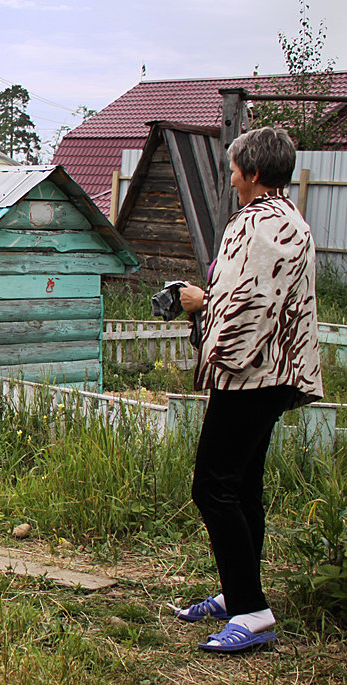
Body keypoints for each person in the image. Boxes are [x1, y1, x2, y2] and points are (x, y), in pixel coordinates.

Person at [175, 127, 323, 653]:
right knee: (241, 488)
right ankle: (239, 592)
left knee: (211, 487)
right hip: (274, 371)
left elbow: (250, 309)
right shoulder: (290, 220)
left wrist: (202, 306)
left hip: (251, 373)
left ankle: (251, 613)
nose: (231, 174)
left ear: (253, 174)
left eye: (235, 167)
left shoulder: (258, 224)